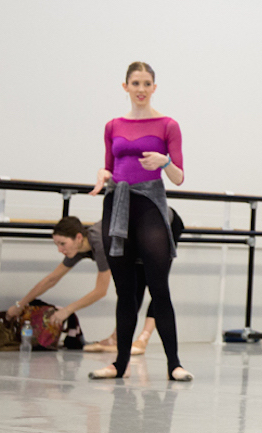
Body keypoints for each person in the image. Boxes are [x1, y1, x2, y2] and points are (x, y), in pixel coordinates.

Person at [86, 61, 191, 383]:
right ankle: (119, 364)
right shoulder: (113, 125)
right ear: (126, 87)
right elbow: (108, 166)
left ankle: (174, 363)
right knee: (125, 292)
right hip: (117, 203)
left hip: (149, 205)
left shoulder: (168, 125)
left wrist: (165, 161)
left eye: (147, 84)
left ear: (154, 88)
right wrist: (103, 174)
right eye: (136, 83)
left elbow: (179, 178)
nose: (141, 89)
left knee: (159, 288)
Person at [7, 216, 178, 355]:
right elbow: (52, 279)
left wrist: (67, 310)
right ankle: (118, 338)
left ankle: (143, 339)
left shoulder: (101, 243)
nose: (60, 250)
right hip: (140, 235)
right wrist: (19, 305)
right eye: (57, 245)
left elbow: (100, 291)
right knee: (134, 286)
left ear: (78, 237)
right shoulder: (78, 248)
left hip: (164, 223)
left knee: (156, 285)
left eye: (62, 244)